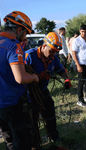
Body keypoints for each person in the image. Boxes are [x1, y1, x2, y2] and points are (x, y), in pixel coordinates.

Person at [0, 11, 39, 150]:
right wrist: (34, 77)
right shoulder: (13, 46)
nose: (25, 37)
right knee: (23, 143)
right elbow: (21, 78)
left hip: (1, 107)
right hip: (14, 106)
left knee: (9, 141)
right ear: (19, 29)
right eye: (25, 33)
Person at [25, 32, 71, 142]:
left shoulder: (53, 58)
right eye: (52, 51)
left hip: (43, 91)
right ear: (44, 46)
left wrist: (67, 78)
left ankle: (54, 136)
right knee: (33, 118)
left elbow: (61, 70)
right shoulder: (29, 56)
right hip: (29, 94)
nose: (53, 54)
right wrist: (38, 77)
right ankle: (35, 141)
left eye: (56, 52)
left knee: (50, 110)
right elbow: (21, 76)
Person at [72, 24, 86, 107]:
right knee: (81, 82)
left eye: (85, 32)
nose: (84, 33)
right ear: (80, 31)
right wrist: (78, 65)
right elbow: (74, 53)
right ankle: (80, 100)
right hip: (81, 63)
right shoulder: (76, 40)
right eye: (82, 32)